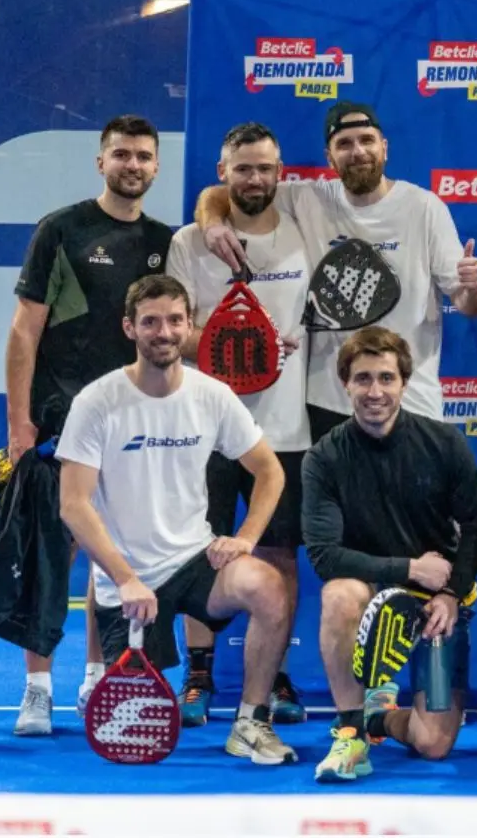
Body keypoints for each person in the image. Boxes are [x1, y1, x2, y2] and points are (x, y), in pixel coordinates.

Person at [56, 274, 297, 766]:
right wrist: (124, 579)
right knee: (133, 737)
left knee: (269, 588)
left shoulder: (213, 396)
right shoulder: (96, 403)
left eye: (173, 321)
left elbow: (270, 471)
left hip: (193, 560)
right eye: (149, 322)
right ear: (129, 328)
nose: (162, 332)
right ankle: (105, 674)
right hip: (127, 584)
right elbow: (74, 504)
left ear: (190, 328)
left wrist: (246, 538)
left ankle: (250, 722)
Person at [0, 114, 174, 736]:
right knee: (52, 555)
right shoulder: (61, 231)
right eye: (121, 154)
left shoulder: (167, 241)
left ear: (155, 167)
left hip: (135, 426)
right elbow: (23, 330)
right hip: (58, 422)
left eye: (143, 156)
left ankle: (99, 677)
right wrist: (18, 420)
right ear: (102, 163)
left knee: (113, 554)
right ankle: (37, 689)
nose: (132, 165)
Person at [197, 100, 477, 439]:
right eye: (344, 144)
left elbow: (470, 304)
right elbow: (221, 193)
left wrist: (471, 289)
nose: (358, 151)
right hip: (330, 406)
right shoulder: (309, 199)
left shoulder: (423, 207)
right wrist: (213, 224)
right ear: (330, 156)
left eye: (367, 140)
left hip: (410, 402)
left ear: (385, 147)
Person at [165, 122, 312, 727]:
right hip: (204, 425)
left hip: (286, 430)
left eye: (266, 168)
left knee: (276, 552)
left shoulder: (306, 224)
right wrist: (245, 345)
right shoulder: (190, 241)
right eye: (243, 168)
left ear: (281, 172)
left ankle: (272, 673)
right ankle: (198, 673)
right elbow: (176, 329)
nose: (256, 179)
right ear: (222, 172)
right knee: (202, 550)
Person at [305, 327, 477, 783]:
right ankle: (349, 730)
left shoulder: (443, 443)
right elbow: (326, 556)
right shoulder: (324, 458)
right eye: (363, 379)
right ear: (345, 384)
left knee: (433, 744)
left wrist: (450, 594)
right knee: (338, 594)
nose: (375, 391)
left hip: (435, 603)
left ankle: (377, 720)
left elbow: (476, 528)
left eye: (386, 379)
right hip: (371, 591)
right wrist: (408, 569)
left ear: (404, 384)